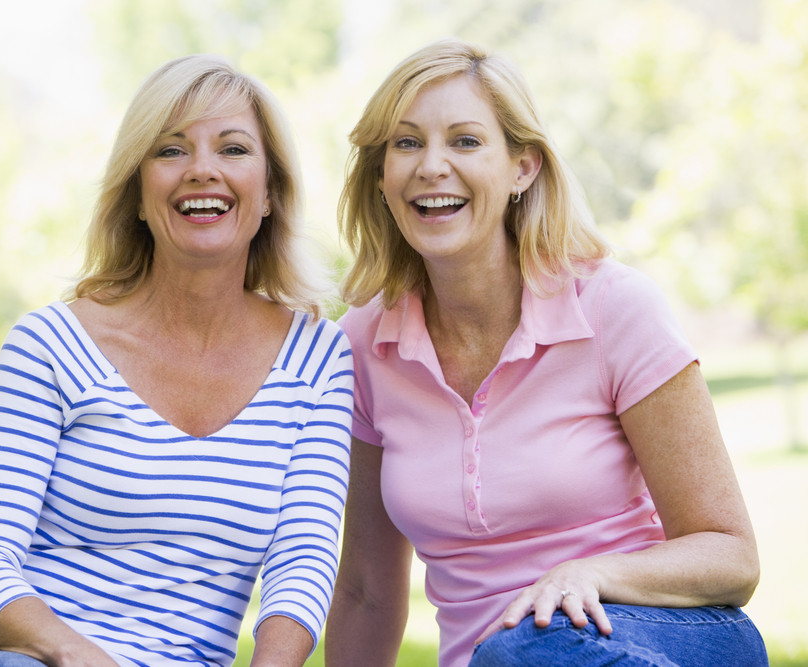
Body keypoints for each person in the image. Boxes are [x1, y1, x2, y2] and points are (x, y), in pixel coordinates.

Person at [324, 39, 767, 667]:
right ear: (381, 175)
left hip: (664, 634)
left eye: (466, 141)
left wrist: (589, 575)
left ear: (522, 168)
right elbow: (367, 588)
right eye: (406, 143)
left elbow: (731, 556)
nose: (431, 165)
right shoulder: (365, 347)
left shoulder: (614, 309)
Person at [0, 54, 354, 667]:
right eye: (171, 151)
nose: (202, 171)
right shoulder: (49, 343)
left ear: (271, 193)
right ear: (139, 195)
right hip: (14, 653)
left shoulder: (319, 357)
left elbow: (301, 563)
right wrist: (78, 657)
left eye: (232, 149)